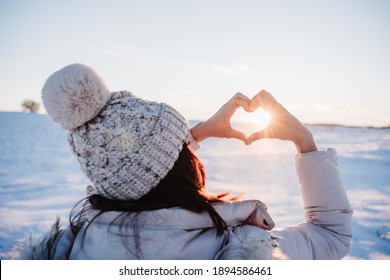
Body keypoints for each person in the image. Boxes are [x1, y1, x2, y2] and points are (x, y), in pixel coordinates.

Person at [18, 63, 352, 260]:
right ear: (183, 166)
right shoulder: (240, 248)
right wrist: (304, 141)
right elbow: (330, 235)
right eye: (185, 148)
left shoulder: (70, 246)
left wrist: (195, 133)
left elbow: (137, 168)